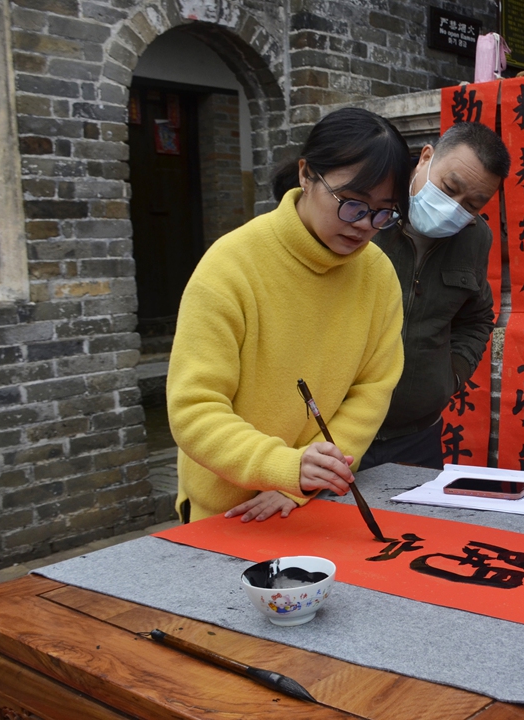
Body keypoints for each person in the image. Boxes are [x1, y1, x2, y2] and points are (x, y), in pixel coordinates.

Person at [166, 107, 409, 524]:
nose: (364, 225)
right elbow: (194, 407)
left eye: (383, 212)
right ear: (306, 175)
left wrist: (306, 481)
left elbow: (372, 389)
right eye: (352, 204)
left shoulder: (378, 274)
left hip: (317, 500)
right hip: (226, 510)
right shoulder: (231, 265)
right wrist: (281, 467)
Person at [361, 121, 509, 470]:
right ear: (426, 157)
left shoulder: (475, 238)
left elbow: (477, 317)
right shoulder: (364, 217)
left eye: (472, 203)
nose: (454, 207)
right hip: (332, 433)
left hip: (417, 436)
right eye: (449, 187)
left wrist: (450, 376)